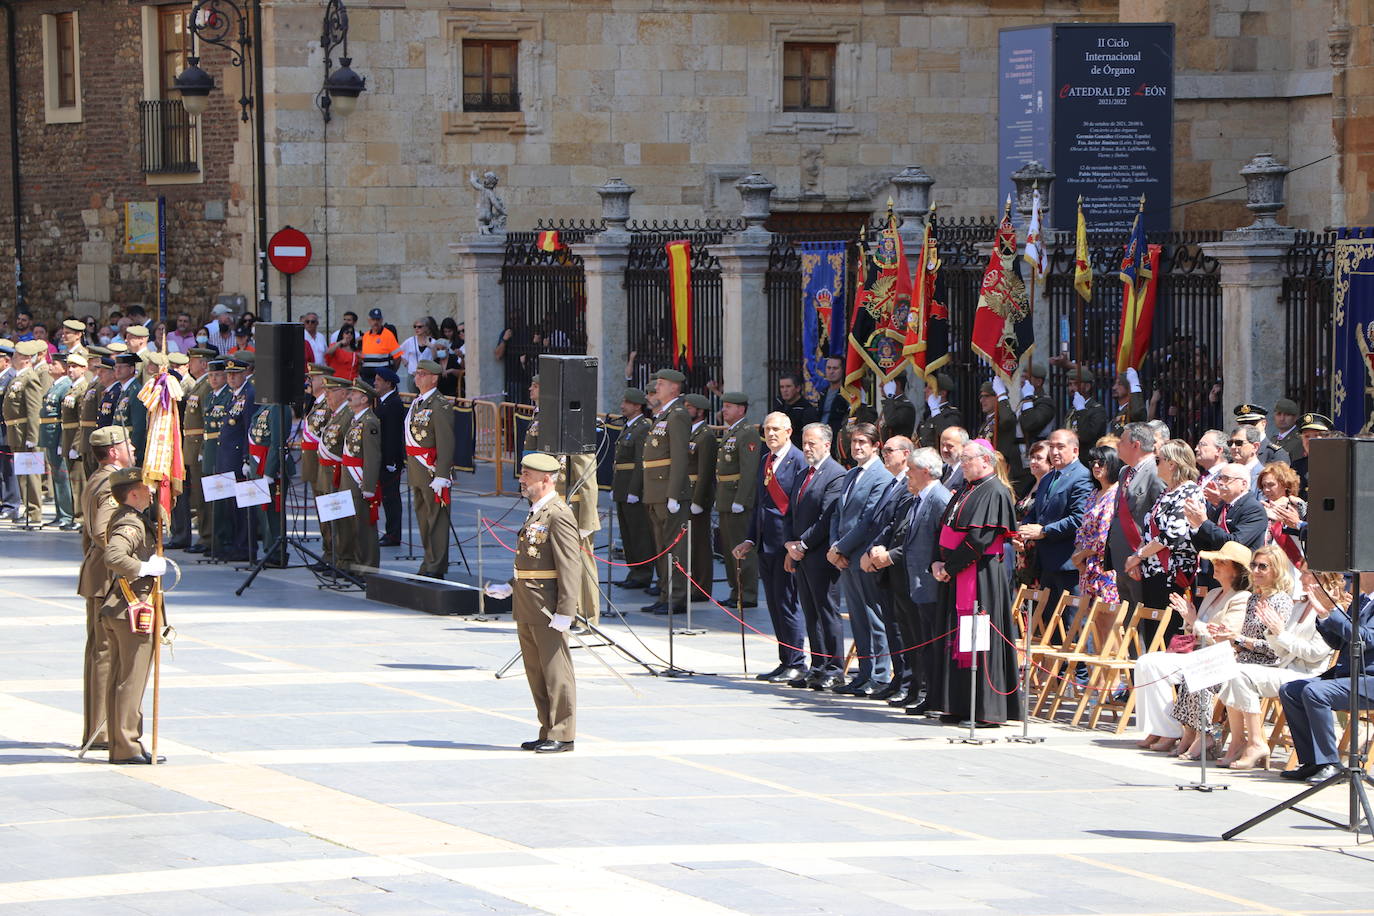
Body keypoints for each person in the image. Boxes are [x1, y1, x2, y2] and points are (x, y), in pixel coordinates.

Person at [1172, 543, 1294, 760]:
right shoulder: (1255, 598)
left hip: (1267, 663)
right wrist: (1228, 637)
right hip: (1243, 658)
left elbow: (1276, 649)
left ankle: (1213, 736)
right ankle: (1200, 733)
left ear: (1276, 570)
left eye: (1262, 567)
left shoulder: (1281, 601)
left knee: (1207, 673)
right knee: (1197, 668)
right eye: (1254, 565)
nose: (1255, 570)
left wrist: (1238, 640)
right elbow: (1240, 640)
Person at [930, 438, 1021, 725]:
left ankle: (985, 709)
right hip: (956, 572)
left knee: (980, 638)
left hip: (979, 575)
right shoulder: (966, 489)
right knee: (958, 638)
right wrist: (936, 562)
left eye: (967, 459)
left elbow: (979, 538)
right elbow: (944, 528)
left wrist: (950, 566)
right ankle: (958, 704)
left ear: (985, 460)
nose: (963, 464)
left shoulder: (994, 491)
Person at [1132, 540, 1251, 754]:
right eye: (1216, 561)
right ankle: (1161, 727)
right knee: (1146, 662)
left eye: (1222, 562)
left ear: (1236, 570)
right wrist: (1189, 620)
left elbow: (1224, 638)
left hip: (1218, 658)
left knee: (1157, 666)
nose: (1216, 565)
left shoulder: (1242, 598)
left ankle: (1171, 731)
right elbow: (1194, 631)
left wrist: (1193, 619)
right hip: (1197, 651)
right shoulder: (1214, 593)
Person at [1214, 553, 1332, 769]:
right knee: (1231, 669)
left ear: (1323, 577)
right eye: (1303, 573)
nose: (1302, 578)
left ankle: (1255, 742)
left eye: (1307, 574)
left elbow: (1315, 653)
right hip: (1284, 667)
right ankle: (1242, 742)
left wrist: (1280, 633)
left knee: (1240, 673)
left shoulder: (1330, 610)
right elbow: (1280, 648)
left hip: (1309, 675)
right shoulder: (1299, 606)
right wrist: (1273, 631)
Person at [500, 452, 582, 753]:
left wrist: (566, 611)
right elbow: (532, 561)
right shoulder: (536, 511)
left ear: (546, 479)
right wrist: (509, 587)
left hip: (548, 607)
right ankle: (547, 729)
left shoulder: (558, 514)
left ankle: (563, 733)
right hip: (528, 603)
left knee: (555, 671)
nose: (522, 480)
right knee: (536, 671)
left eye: (527, 475)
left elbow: (570, 567)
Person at [867, 446, 951, 713]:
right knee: (916, 641)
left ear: (925, 471)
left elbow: (938, 543)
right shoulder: (919, 497)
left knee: (929, 644)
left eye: (911, 471)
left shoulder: (938, 498)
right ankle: (919, 690)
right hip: (913, 581)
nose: (907, 477)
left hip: (928, 582)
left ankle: (932, 695)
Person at [98, 466, 169, 764]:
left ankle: (122, 742)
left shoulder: (134, 518)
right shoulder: (130, 523)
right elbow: (114, 556)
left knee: (121, 680)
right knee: (132, 681)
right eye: (146, 487)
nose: (151, 491)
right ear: (133, 492)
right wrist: (144, 568)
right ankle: (126, 745)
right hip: (131, 610)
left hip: (119, 609)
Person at [733, 411, 808, 682]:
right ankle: (784, 660)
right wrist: (750, 539)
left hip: (786, 545)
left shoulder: (799, 460)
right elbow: (760, 505)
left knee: (788, 604)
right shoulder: (766, 459)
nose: (771, 434)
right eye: (767, 429)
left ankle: (797, 662)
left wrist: (795, 545)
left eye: (776, 429)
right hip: (766, 543)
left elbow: (799, 508)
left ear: (789, 431)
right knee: (775, 605)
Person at [1278, 573, 1374, 784]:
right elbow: (1340, 642)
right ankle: (1313, 761)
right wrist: (1323, 616)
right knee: (1290, 691)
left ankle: (1331, 763)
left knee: (1315, 692)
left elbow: (1365, 639)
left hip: (1369, 680)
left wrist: (1332, 611)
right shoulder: (1363, 601)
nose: (1354, 575)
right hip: (1348, 676)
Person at [827, 422, 897, 696]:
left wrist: (841, 548)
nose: (857, 447)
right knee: (857, 618)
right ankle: (864, 673)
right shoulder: (851, 474)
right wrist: (835, 546)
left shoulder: (880, 476)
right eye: (854, 442)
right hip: (846, 556)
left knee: (873, 617)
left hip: (863, 554)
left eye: (863, 443)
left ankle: (879, 675)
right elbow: (838, 514)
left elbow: (869, 520)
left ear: (876, 446)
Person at [75, 425, 133, 751]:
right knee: (105, 653)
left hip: (96, 573)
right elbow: (101, 532)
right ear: (113, 451)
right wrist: (124, 560)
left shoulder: (97, 477)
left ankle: (96, 727)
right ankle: (101, 730)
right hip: (107, 577)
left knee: (99, 651)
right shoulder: (110, 484)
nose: (133, 447)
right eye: (128, 443)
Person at [783, 422, 847, 689]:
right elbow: (791, 511)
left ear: (826, 445)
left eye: (812, 443)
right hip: (801, 555)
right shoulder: (803, 473)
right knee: (810, 612)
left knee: (826, 611)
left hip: (820, 555)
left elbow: (826, 517)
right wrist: (789, 544)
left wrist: (803, 545)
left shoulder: (836, 474)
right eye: (805, 443)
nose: (807, 448)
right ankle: (817, 665)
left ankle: (834, 668)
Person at [860, 434, 915, 700]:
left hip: (897, 564)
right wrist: (871, 551)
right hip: (882, 562)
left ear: (906, 454)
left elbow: (899, 526)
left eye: (890, 450)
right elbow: (878, 522)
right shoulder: (891, 482)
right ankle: (898, 678)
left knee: (902, 626)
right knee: (892, 624)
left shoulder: (909, 484)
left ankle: (907, 681)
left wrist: (880, 552)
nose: (885, 454)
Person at [1126, 438, 1203, 619]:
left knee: (1169, 632)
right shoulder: (1166, 492)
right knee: (1154, 629)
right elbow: (1149, 532)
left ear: (1172, 464)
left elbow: (1172, 535)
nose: (1155, 465)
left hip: (1173, 574)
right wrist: (1138, 558)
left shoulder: (1190, 491)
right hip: (1154, 572)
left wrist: (1139, 555)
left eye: (1157, 460)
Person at [1018, 429, 1094, 606]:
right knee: (1049, 624)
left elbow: (1079, 518)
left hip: (1068, 563)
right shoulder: (1048, 478)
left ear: (1075, 450)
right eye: (1051, 447)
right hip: (1045, 562)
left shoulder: (1082, 477)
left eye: (1060, 447)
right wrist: (1024, 532)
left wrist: (1044, 531)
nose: (1054, 452)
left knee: (1071, 624)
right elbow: (1036, 512)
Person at [639, 368, 692, 613]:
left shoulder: (678, 414)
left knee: (674, 548)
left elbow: (680, 456)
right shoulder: (663, 415)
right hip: (655, 491)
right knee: (661, 548)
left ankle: (676, 597)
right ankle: (664, 593)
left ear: (674, 388)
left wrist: (673, 493)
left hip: (668, 492)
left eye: (661, 384)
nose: (656, 388)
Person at [1107, 422, 1165, 609]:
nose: (1117, 445)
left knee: (1141, 620)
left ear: (1135, 445)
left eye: (1122, 441)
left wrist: (1140, 556)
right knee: (1127, 618)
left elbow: (1159, 520)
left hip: (1141, 559)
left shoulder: (1156, 472)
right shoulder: (1125, 472)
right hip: (1121, 558)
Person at [405, 360, 454, 578]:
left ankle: (436, 565)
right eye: (416, 374)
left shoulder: (439, 404)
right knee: (423, 519)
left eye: (423, 374)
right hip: (417, 470)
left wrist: (443, 474)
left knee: (436, 520)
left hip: (432, 471)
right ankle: (428, 560)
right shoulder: (419, 403)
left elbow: (446, 441)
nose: (418, 378)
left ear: (434, 378)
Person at [714, 391, 760, 607]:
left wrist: (741, 499)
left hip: (736, 499)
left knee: (742, 548)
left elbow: (749, 470)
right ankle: (736, 591)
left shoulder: (747, 432)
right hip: (726, 497)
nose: (724, 410)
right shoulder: (732, 432)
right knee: (728, 548)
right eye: (724, 406)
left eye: (729, 406)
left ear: (741, 410)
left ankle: (747, 594)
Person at [4, 340, 52, 525]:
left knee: (31, 475)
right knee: (22, 473)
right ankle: (27, 510)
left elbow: (33, 409)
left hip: (25, 432)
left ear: (25, 359)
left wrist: (33, 436)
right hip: (16, 431)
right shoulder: (18, 377)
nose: (12, 359)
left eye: (16, 356)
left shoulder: (30, 377)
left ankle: (34, 512)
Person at [612, 388, 655, 591]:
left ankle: (643, 572)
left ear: (637, 406)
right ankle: (633, 571)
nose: (622, 405)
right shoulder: (629, 426)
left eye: (627, 403)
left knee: (639, 533)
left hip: (632, 488)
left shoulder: (643, 427)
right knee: (627, 533)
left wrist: (634, 490)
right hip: (622, 486)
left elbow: (640, 461)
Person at [1071, 445, 1122, 607]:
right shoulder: (1094, 493)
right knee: (1091, 624)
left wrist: (1080, 556)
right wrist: (1079, 555)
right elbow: (1082, 529)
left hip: (1107, 566)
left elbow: (1105, 537)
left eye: (1101, 462)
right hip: (1088, 567)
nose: (1096, 466)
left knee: (1106, 621)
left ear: (1112, 463)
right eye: (1092, 462)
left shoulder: (1117, 493)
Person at [314, 375, 355, 569]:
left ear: (344, 393)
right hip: (326, 472)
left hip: (337, 473)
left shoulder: (347, 415)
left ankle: (343, 558)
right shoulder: (335, 414)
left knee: (340, 520)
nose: (327, 395)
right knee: (328, 519)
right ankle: (331, 553)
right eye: (327, 391)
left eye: (331, 391)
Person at [342, 378, 382, 573]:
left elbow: (372, 457)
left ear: (364, 399)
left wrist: (368, 486)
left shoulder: (370, 422)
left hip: (359, 480)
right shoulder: (356, 420)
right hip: (349, 478)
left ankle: (368, 567)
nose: (350, 397)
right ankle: (357, 564)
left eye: (354, 394)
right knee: (353, 526)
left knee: (364, 527)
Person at [1185, 461, 1268, 553]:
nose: (1220, 482)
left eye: (1226, 479)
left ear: (1243, 484)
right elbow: (1206, 547)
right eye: (1219, 478)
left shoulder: (1253, 509)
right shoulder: (1223, 506)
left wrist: (1204, 523)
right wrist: (1196, 526)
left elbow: (1235, 544)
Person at [179, 349, 215, 552]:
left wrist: (202, 447)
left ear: (203, 364)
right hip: (191, 446)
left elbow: (208, 420)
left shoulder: (207, 386)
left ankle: (206, 536)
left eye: (192, 361)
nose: (189, 365)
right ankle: (203, 535)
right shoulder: (199, 385)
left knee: (203, 496)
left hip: (200, 445)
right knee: (198, 496)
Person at [684, 393, 717, 601]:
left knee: (700, 545)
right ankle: (692, 583)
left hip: (698, 496)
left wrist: (698, 500)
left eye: (689, 407)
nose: (686, 410)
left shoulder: (706, 435)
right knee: (690, 543)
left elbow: (705, 472)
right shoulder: (690, 433)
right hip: (686, 492)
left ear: (700, 411)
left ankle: (702, 587)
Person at [38, 353, 75, 528]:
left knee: (62, 476)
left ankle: (67, 515)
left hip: (58, 435)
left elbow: (64, 417)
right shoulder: (55, 385)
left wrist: (62, 441)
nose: (50, 366)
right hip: (50, 435)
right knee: (56, 477)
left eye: (54, 364)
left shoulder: (66, 385)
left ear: (63, 368)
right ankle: (60, 513)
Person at [199, 359, 231, 556]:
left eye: (217, 375)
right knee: (210, 498)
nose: (213, 379)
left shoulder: (227, 396)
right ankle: (213, 540)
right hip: (210, 450)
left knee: (221, 500)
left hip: (221, 449)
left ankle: (221, 540)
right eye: (210, 375)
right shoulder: (210, 396)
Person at [976, 379, 1027, 492]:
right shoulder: (988, 421)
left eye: (987, 396)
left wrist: (1002, 395)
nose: (982, 400)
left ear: (996, 397)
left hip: (1000, 470)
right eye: (981, 397)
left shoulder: (1002, 418)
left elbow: (1008, 420)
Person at [373, 368, 405, 547]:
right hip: (383, 458)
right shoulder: (383, 401)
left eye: (379, 380)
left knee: (391, 498)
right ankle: (390, 532)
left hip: (389, 460)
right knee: (386, 498)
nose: (375, 383)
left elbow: (393, 435)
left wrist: (390, 460)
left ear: (389, 383)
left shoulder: (393, 404)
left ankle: (393, 534)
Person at [60, 352, 91, 527]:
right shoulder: (72, 388)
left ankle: (80, 517)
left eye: (75, 367)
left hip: (76, 441)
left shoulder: (83, 388)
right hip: (68, 438)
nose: (70, 370)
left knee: (79, 482)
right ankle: (75, 514)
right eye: (69, 367)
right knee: (73, 480)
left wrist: (76, 445)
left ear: (84, 369)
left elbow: (82, 420)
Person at [1258, 461, 1306, 567]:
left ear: (1285, 484)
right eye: (1263, 485)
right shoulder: (1260, 508)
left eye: (1271, 485)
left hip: (1291, 565)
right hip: (1266, 564)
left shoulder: (1297, 506)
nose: (1266, 489)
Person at [1065, 368, 1107, 462]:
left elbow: (1086, 436)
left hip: (1087, 460)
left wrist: (1081, 410)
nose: (1071, 388)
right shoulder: (1072, 409)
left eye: (1075, 384)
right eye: (1070, 384)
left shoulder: (1097, 410)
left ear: (1087, 386)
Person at [772, 372, 817, 448]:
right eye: (782, 387)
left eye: (788, 386)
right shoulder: (779, 405)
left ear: (798, 388)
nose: (784, 390)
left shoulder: (807, 409)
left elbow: (809, 437)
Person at [916, 372, 962, 447]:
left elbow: (948, 436)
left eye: (930, 388)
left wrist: (935, 410)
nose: (925, 390)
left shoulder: (951, 414)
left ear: (942, 393)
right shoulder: (928, 413)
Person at [359, 308, 402, 384]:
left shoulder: (388, 335)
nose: (376, 322)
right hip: (367, 378)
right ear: (369, 320)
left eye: (378, 320)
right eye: (373, 319)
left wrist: (391, 372)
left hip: (382, 379)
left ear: (382, 320)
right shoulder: (366, 336)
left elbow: (398, 357)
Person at [1018, 361, 1056, 443]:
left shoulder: (1046, 402)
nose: (1022, 380)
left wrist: (1028, 397)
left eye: (1026, 378)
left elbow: (1030, 424)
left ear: (1038, 382)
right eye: (1022, 377)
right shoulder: (1026, 399)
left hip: (1034, 447)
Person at [398, 317, 438, 391]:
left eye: (419, 327)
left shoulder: (433, 342)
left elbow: (435, 357)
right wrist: (406, 364)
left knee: (425, 397)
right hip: (412, 374)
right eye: (415, 327)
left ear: (426, 328)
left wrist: (431, 346)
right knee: (413, 398)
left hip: (427, 375)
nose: (417, 329)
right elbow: (399, 351)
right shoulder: (410, 341)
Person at [1106, 369, 1147, 437]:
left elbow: (1137, 412)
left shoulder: (1132, 410)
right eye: (1115, 384)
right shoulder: (1121, 410)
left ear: (1129, 388)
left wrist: (1134, 386)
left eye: (1120, 384)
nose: (1114, 387)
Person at [879, 375, 916, 441]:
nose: (880, 385)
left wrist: (890, 396)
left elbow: (891, 422)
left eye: (884, 382)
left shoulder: (906, 406)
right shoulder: (891, 404)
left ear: (896, 385)